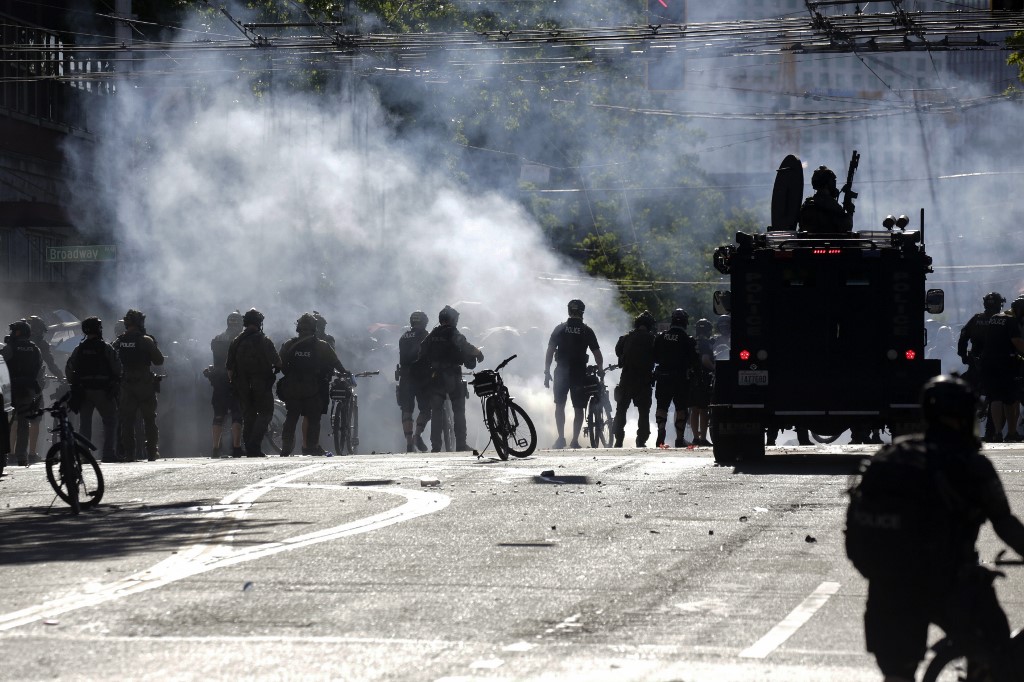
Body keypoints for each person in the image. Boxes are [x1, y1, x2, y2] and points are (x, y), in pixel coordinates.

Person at [854, 375, 1024, 682]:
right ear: (961, 417)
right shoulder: (971, 465)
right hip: (952, 582)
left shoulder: (894, 456)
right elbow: (1005, 522)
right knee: (998, 648)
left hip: (889, 585)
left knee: (896, 674)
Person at [278, 313, 347, 456]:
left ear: (298, 327)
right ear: (314, 328)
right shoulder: (322, 345)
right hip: (313, 388)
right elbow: (336, 363)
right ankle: (311, 448)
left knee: (291, 417)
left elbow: (280, 365)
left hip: (292, 387)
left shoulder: (289, 344)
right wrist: (345, 372)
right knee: (313, 418)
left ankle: (285, 447)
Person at [959, 292, 1024, 442]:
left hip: (981, 364)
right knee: (1008, 398)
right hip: (1003, 364)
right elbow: (1017, 342)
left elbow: (963, 336)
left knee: (990, 397)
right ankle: (995, 433)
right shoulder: (1009, 320)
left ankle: (987, 432)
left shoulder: (980, 319)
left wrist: (964, 356)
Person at [418, 305, 483, 453]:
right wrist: (478, 353)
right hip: (452, 375)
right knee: (458, 410)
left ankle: (436, 446)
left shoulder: (433, 333)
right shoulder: (452, 331)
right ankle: (461, 444)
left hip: (435, 377)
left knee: (436, 411)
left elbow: (422, 350)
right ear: (453, 319)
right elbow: (464, 345)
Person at [544, 299, 603, 449]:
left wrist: (546, 371)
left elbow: (550, 351)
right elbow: (597, 354)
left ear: (569, 311)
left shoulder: (559, 328)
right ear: (582, 312)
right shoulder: (587, 330)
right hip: (579, 374)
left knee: (560, 405)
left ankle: (561, 438)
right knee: (578, 408)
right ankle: (575, 440)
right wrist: (601, 369)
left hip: (561, 372)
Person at [65, 317, 121, 461]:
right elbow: (117, 369)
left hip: (84, 391)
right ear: (99, 329)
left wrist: (75, 386)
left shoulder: (79, 349)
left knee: (84, 424)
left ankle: (84, 455)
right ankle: (108, 454)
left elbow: (69, 369)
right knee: (110, 422)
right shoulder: (107, 348)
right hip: (104, 391)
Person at [226, 308, 281, 457]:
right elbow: (278, 362)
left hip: (241, 384)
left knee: (248, 415)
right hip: (261, 384)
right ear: (259, 323)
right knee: (266, 413)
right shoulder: (265, 340)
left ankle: (250, 447)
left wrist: (233, 384)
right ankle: (254, 445)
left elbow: (229, 367)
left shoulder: (236, 341)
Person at [112, 309, 165, 461]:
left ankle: (129, 454)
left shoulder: (119, 341)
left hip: (126, 383)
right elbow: (159, 360)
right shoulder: (145, 340)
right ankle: (151, 453)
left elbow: (111, 357)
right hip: (144, 383)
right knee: (149, 419)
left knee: (127, 420)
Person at [612, 311, 657, 448]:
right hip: (643, 380)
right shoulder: (652, 339)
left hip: (626, 378)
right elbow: (657, 356)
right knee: (643, 412)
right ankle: (641, 440)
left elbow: (618, 352)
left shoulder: (625, 337)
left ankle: (619, 439)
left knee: (621, 409)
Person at [654, 308, 698, 448]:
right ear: (685, 322)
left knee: (662, 406)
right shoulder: (687, 339)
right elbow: (694, 360)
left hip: (663, 376)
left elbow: (654, 357)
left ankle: (661, 432)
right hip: (680, 378)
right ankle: (679, 439)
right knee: (681, 408)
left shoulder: (661, 337)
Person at [2, 320, 42, 466]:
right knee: (24, 424)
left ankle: (5, 456)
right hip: (27, 389)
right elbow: (38, 367)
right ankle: (21, 457)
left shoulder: (11, 347)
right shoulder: (35, 348)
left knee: (6, 422)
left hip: (10, 389)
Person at [26, 315, 65, 462]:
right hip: (34, 386)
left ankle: (12, 453)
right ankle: (32, 453)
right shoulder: (41, 345)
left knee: (15, 419)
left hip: (13, 386)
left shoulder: (14, 343)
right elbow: (50, 363)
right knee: (35, 419)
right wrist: (61, 376)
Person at [206, 310, 244, 457]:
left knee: (218, 415)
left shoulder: (217, 338)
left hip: (218, 380)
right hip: (235, 379)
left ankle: (215, 448)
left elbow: (216, 360)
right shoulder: (240, 339)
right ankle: (236, 447)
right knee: (236, 414)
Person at [397, 310, 430, 452]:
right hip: (422, 376)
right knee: (426, 409)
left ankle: (409, 444)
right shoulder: (425, 335)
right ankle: (417, 435)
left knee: (406, 410)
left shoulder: (403, 337)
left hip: (405, 376)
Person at [798, 165, 854, 234]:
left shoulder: (807, 203)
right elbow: (847, 226)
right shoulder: (830, 203)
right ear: (829, 183)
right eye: (833, 182)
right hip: (830, 243)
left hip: (809, 243)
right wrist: (850, 212)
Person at [688, 318, 715, 447]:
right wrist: (714, 369)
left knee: (694, 410)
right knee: (703, 410)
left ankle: (695, 438)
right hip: (703, 379)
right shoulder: (706, 343)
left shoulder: (691, 341)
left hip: (691, 379)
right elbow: (705, 359)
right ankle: (703, 438)